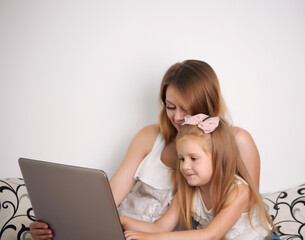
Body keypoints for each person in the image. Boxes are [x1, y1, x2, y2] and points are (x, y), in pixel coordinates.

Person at [29, 60, 261, 239]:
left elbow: (243, 217)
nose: (178, 117)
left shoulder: (237, 142)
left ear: (206, 104)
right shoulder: (149, 136)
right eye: (170, 107)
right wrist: (58, 222)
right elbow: (105, 201)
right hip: (127, 228)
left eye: (186, 108)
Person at [120, 114, 279, 240]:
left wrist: (153, 239)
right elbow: (159, 227)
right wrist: (123, 221)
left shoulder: (239, 191)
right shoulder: (188, 191)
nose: (185, 166)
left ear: (218, 158)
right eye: (182, 159)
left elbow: (211, 235)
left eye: (193, 158)